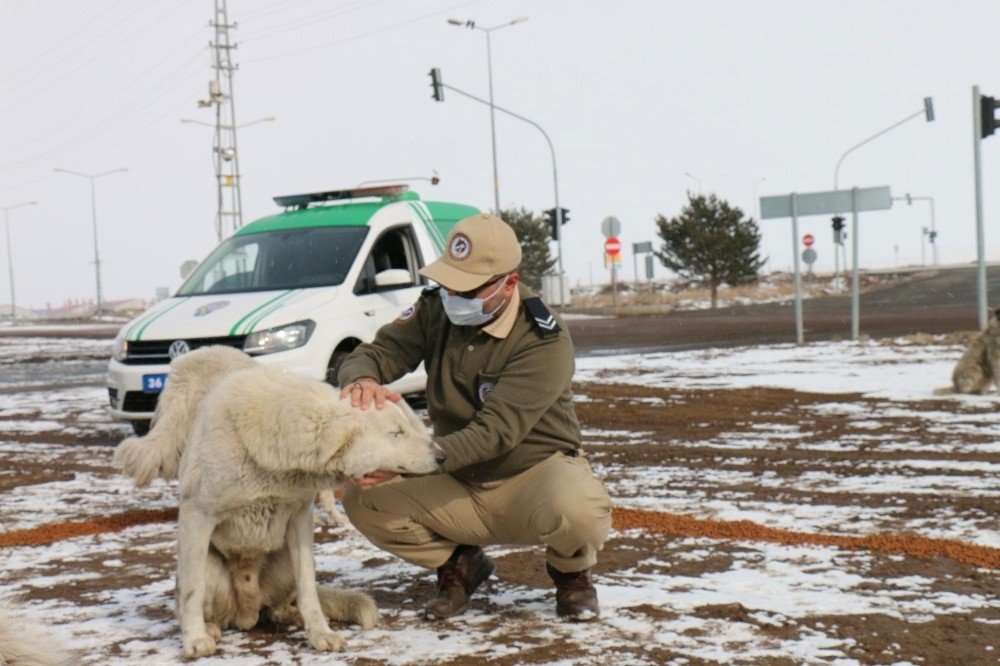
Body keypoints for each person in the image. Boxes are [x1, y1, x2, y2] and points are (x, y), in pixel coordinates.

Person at [337, 212, 612, 621]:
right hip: (458, 477)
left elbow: (495, 433)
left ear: (509, 283)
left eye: (467, 289)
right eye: (448, 284)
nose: (453, 296)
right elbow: (377, 353)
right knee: (364, 499)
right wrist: (362, 379)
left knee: (581, 509)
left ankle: (571, 574)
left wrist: (408, 462)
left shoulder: (543, 340)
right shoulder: (437, 310)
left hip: (532, 477)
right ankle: (461, 564)